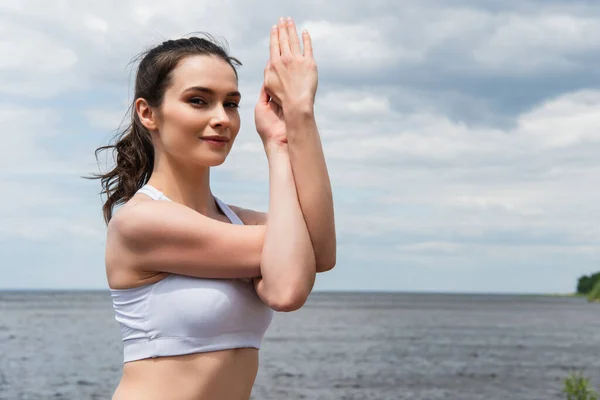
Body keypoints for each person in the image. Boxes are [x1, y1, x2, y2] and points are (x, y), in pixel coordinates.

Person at [90, 16, 336, 400]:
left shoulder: (235, 222)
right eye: (198, 101)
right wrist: (282, 144)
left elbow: (320, 251)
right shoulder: (141, 222)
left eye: (231, 103)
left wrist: (294, 122)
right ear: (147, 113)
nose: (222, 118)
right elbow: (288, 286)